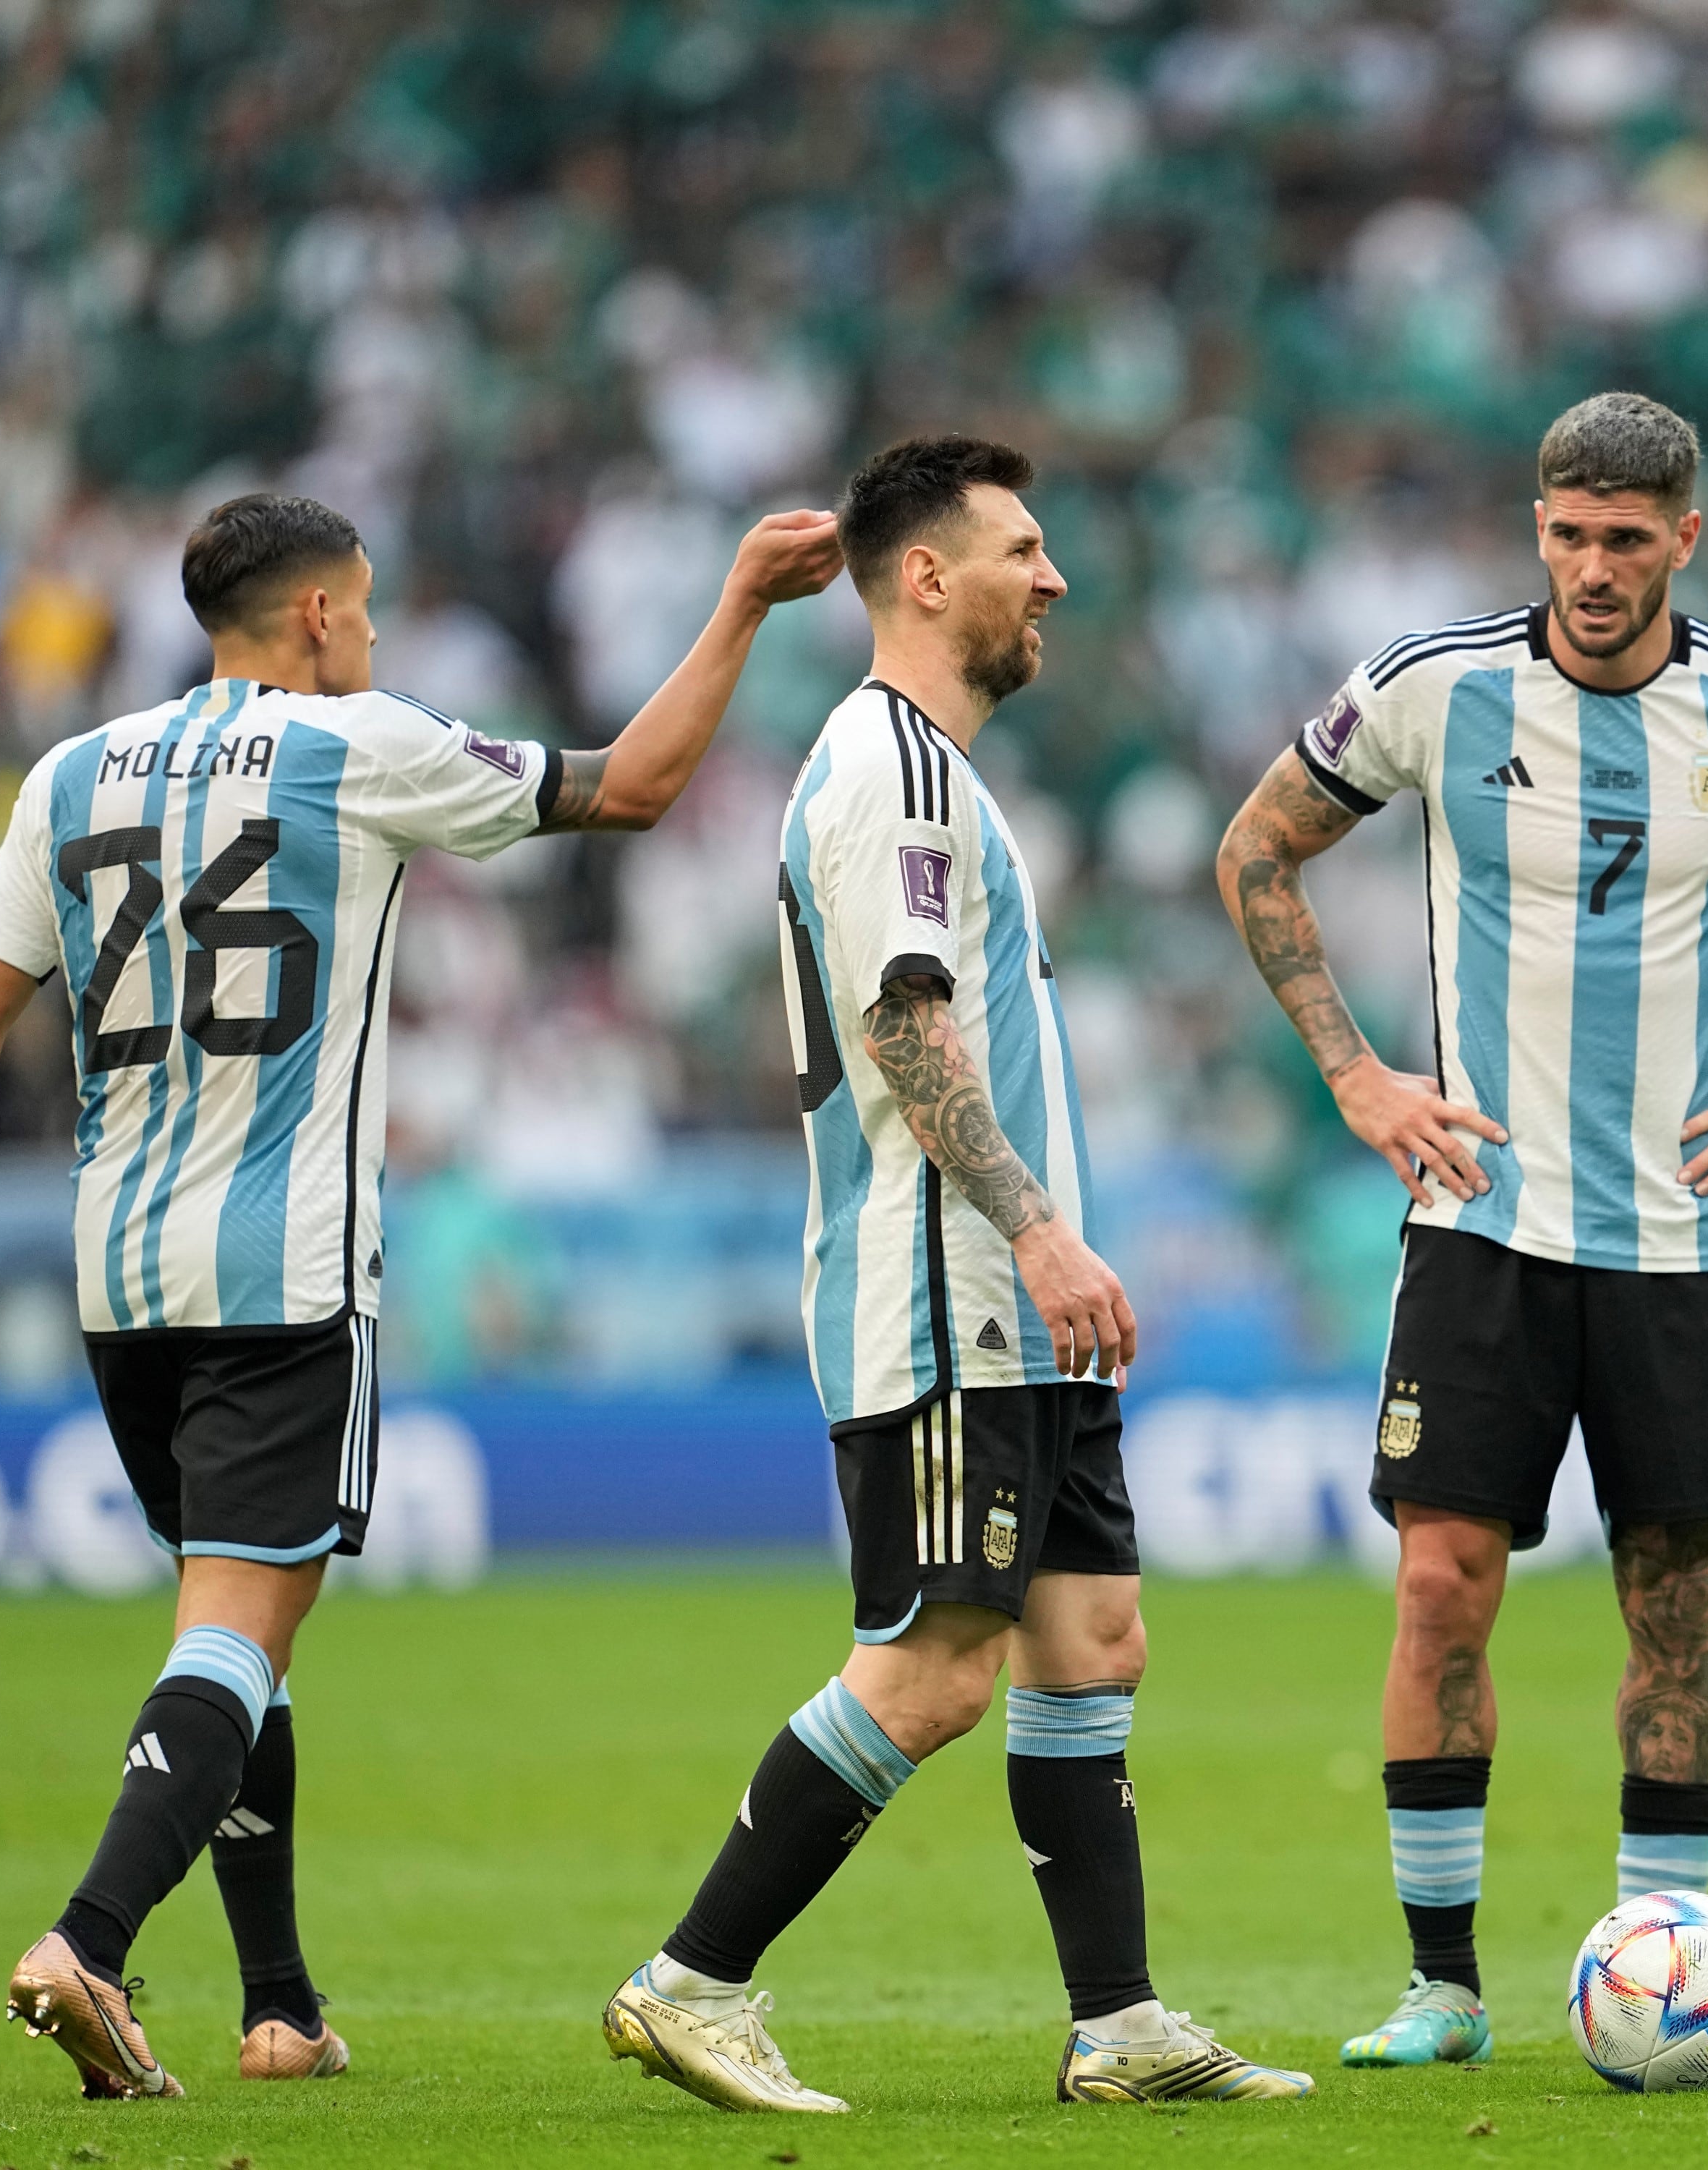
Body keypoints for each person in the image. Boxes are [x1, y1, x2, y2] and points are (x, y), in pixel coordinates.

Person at [0, 490, 843, 2099]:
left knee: (231, 1632)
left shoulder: (68, 775)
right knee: (236, 1634)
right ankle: (90, 1940)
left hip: (122, 1280)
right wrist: (747, 600)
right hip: (282, 1269)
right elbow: (635, 784)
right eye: (368, 611)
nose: (374, 636)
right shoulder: (360, 743)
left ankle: (278, 2004)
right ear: (323, 620)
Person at [1214, 392, 1708, 2069]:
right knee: (1439, 1588)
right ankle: (1442, 1986)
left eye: (1626, 539)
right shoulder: (1433, 685)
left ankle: (1662, 1960)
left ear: (1682, 538)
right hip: (1477, 1227)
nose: (1591, 567)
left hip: (1678, 1244)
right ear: (1533, 524)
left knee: (1671, 1609)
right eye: (1565, 534)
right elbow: (1256, 849)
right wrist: (1351, 1070)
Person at [600, 437, 1310, 2116]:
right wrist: (1043, 1226)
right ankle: (689, 1978)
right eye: (1020, 547)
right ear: (926, 576)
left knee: (1091, 1638)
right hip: (949, 1292)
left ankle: (1116, 2021)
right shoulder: (891, 770)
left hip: (1015, 1303)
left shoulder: (931, 767)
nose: (1050, 576)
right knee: (932, 1667)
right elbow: (902, 1023)